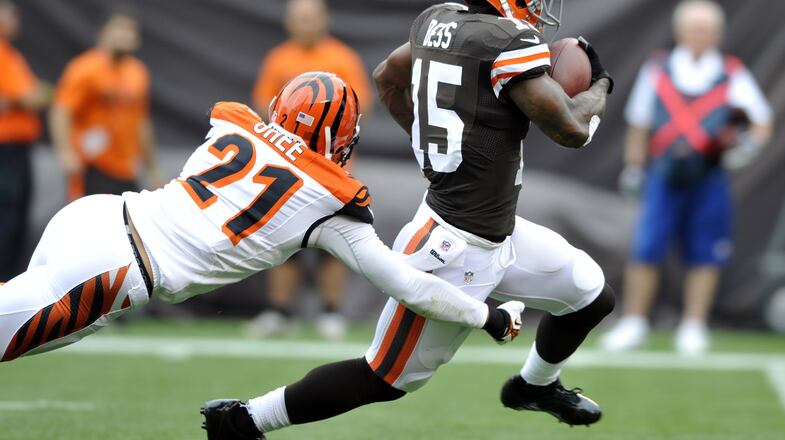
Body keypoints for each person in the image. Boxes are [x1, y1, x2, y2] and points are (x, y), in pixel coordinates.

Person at [201, 1, 615, 438]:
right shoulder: (509, 40)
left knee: (591, 295)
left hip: (499, 231)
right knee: (383, 377)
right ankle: (243, 419)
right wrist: (602, 84)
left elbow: (387, 76)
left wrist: (434, 149)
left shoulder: (438, 21)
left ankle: (534, 386)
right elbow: (571, 130)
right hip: (452, 246)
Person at [0, 73, 523, 386]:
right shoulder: (330, 200)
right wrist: (488, 315)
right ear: (342, 140)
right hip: (117, 267)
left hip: (95, 214)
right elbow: (409, 285)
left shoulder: (232, 122)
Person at [602, 0, 773, 354]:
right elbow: (639, 123)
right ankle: (634, 321)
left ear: (718, 34)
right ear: (680, 31)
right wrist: (634, 166)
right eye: (696, 28)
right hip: (663, 176)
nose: (702, 35)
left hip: (708, 177)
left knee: (706, 252)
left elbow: (761, 121)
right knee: (646, 248)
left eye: (709, 29)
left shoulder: (730, 72)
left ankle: (694, 325)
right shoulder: (659, 69)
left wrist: (746, 149)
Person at [247, 0, 374, 340]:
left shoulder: (341, 57)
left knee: (331, 242)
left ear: (323, 20)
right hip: (288, 164)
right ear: (289, 22)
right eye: (299, 18)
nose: (305, 24)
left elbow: (360, 106)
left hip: (330, 167)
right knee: (281, 239)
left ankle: (331, 310)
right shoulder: (279, 58)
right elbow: (264, 105)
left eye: (310, 18)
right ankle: (279, 310)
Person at [49, 13, 163, 201]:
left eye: (131, 31)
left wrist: (152, 167)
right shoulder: (85, 68)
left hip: (126, 167)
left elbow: (141, 122)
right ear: (103, 33)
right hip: (92, 164)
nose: (125, 35)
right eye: (119, 28)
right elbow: (61, 111)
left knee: (125, 216)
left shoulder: (138, 72)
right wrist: (65, 152)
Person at [0, 0, 49, 281]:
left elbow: (33, 94)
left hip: (19, 149)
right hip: (4, 148)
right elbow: (28, 96)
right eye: (9, 16)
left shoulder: (12, 54)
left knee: (17, 216)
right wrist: (29, 97)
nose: (15, 21)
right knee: (6, 214)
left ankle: (10, 280)